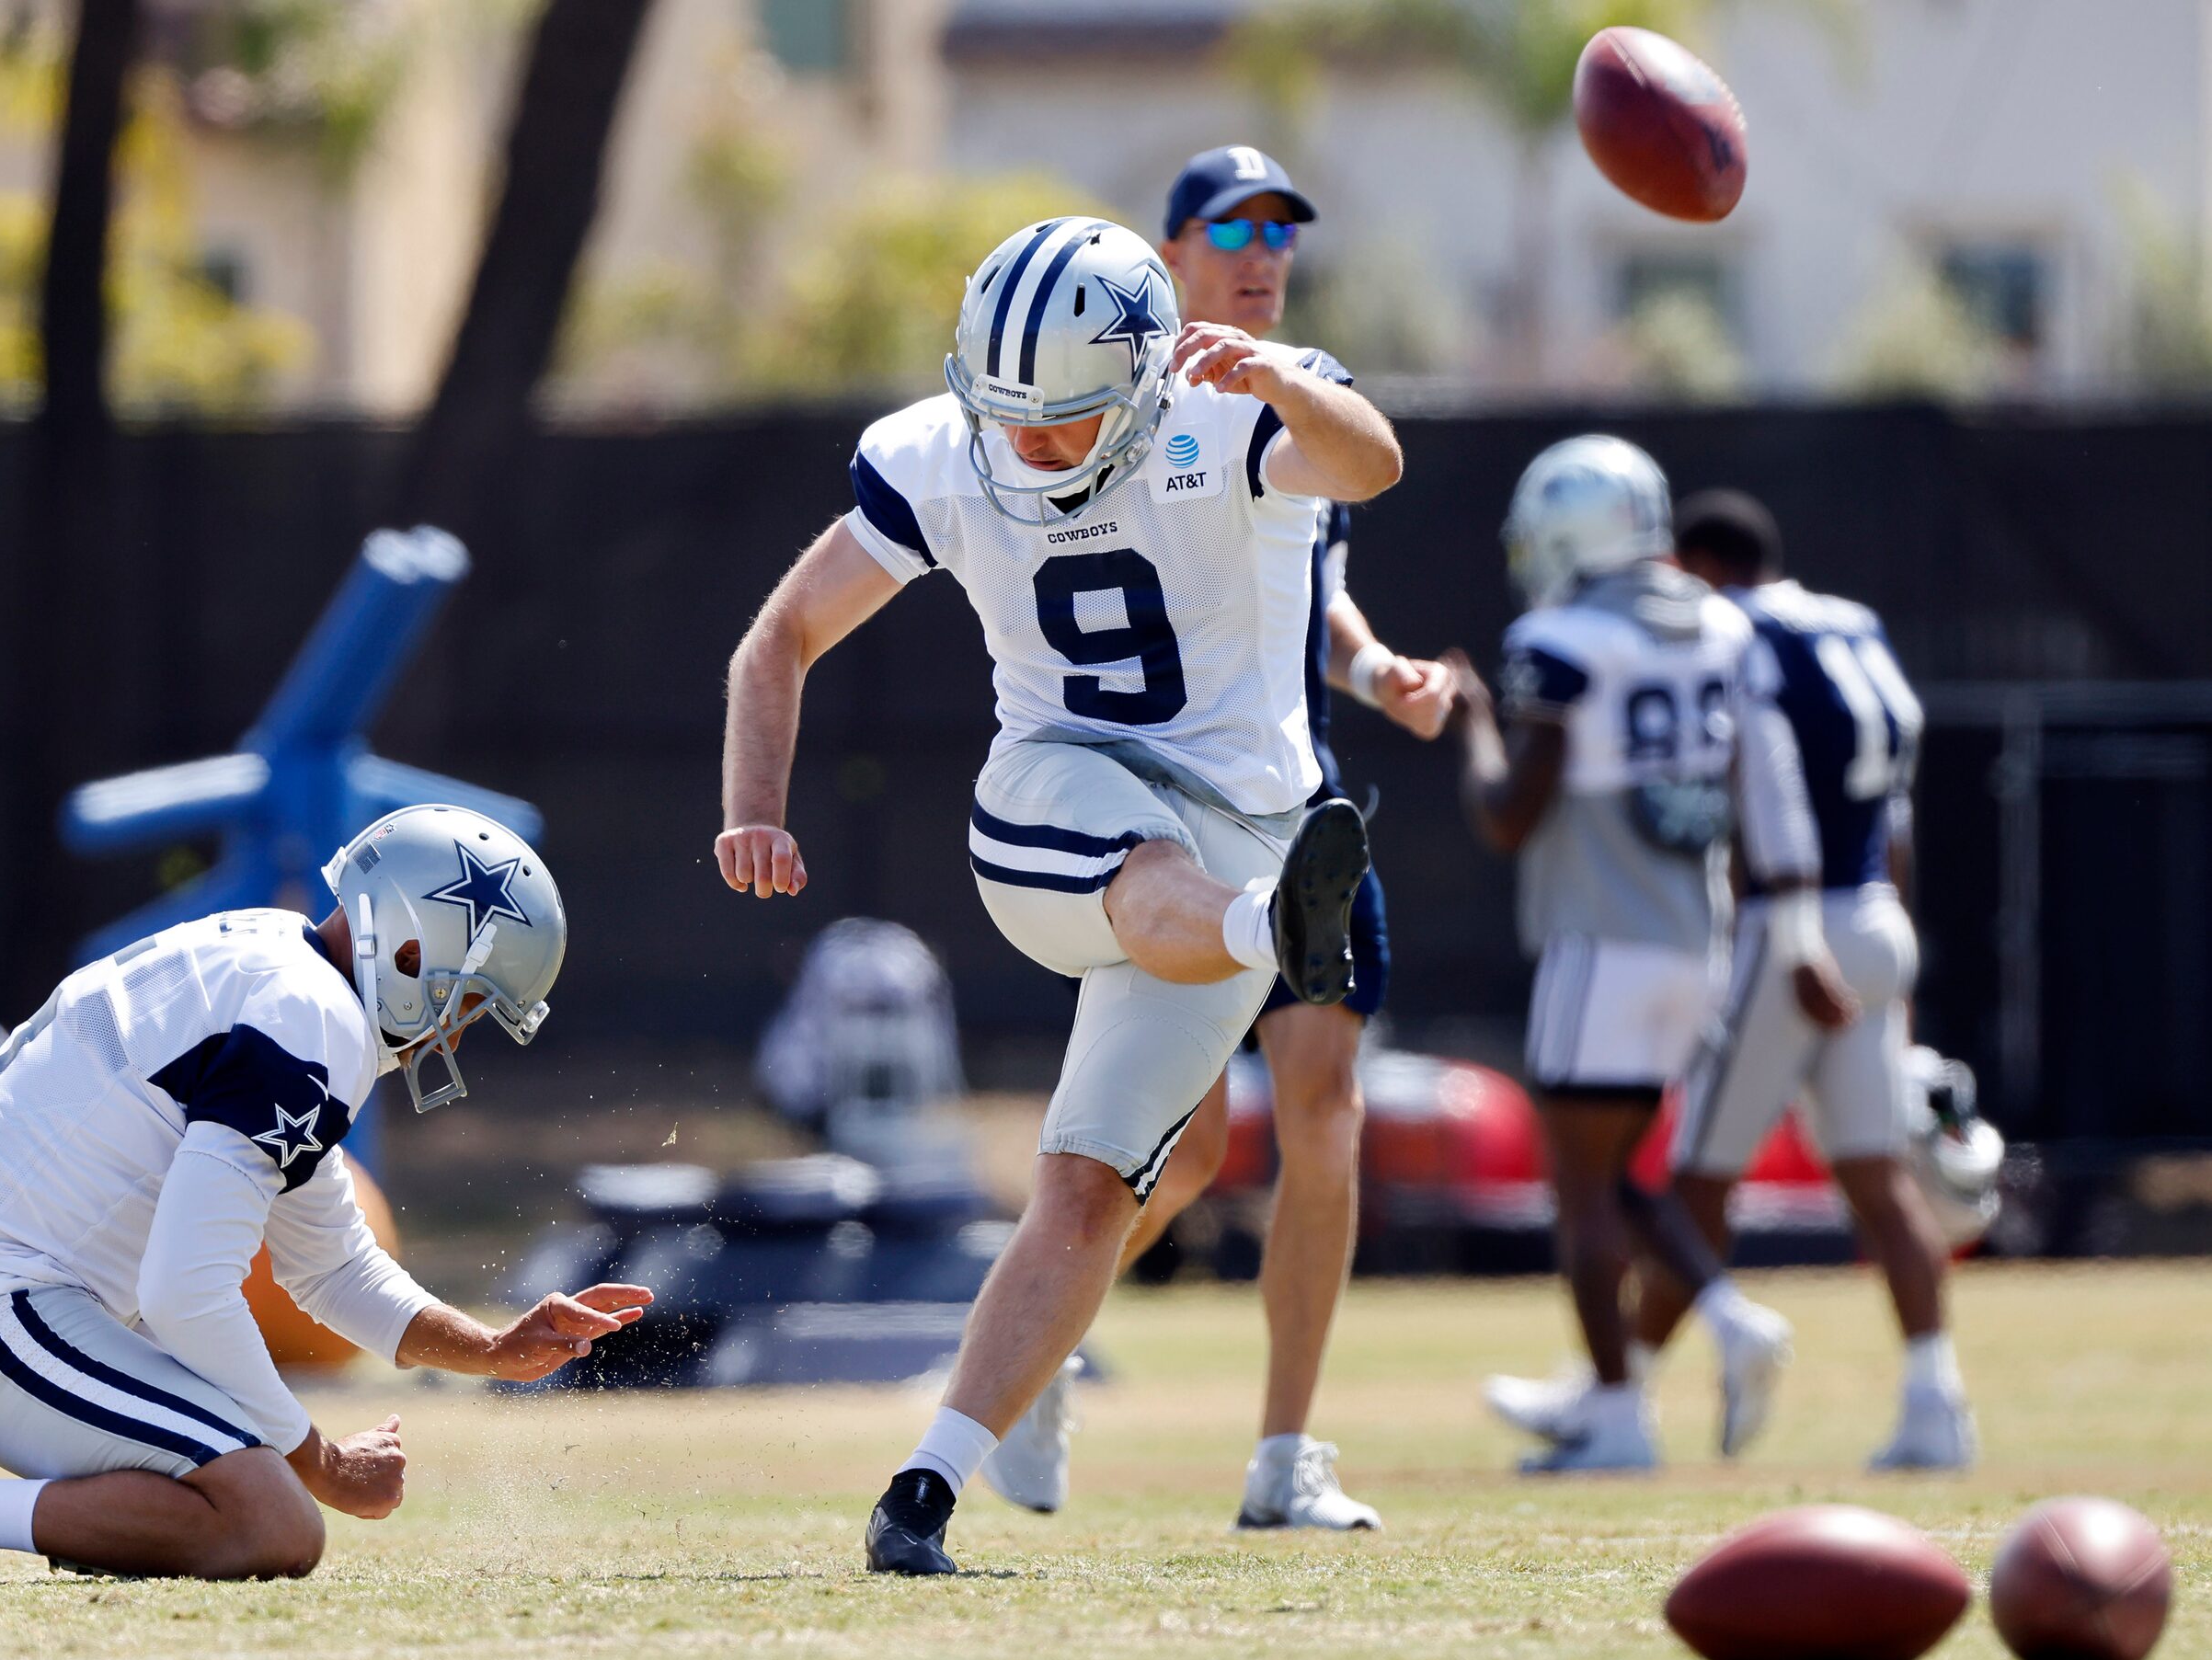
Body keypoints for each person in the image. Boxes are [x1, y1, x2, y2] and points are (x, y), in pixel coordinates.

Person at [716, 214, 1405, 1573]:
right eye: (1007, 416)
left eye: (1067, 418)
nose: (1029, 445)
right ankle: (1268, 931)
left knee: (1089, 1186)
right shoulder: (941, 454)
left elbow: (1370, 462)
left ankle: (927, 1482)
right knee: (1153, 873)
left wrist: (1275, 380)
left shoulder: (1225, 412)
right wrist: (751, 806)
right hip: (1053, 793)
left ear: (1146, 382)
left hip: (1240, 822)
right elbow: (780, 633)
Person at [0, 804, 652, 1586]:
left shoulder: (288, 974)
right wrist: (319, 1461)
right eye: (470, 997)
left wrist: (489, 1349)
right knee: (271, 1526)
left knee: (253, 1513)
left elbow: (327, 1264)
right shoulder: (307, 1017)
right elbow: (186, 1292)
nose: (457, 1028)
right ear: (417, 947)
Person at [979, 145, 1451, 1532]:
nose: (1257, 251)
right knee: (1175, 1156)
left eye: (1277, 230)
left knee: (1321, 1114)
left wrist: (1380, 678)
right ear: (1167, 251)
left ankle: (1283, 1454)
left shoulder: (1281, 385)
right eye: (1227, 226)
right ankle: (1036, 1345)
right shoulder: (1105, 397)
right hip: (1163, 832)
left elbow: (1321, 584)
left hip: (1292, 814)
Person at [1551, 490, 1971, 1469]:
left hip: (1791, 926)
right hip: (1872, 910)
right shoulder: (1852, 623)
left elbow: (1748, 783)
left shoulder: (1730, 627)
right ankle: (1934, 1400)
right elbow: (1894, 814)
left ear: (1696, 566)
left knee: (1697, 1174)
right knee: (1877, 1177)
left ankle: (1619, 1394)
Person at [1445, 438, 1801, 1472]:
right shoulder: (1721, 625)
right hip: (1695, 938)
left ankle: (1613, 1413)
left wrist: (1473, 730)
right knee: (1604, 1171)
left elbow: (1510, 814)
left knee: (1580, 1187)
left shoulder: (1559, 638)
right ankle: (1729, 1323)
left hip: (1599, 936)